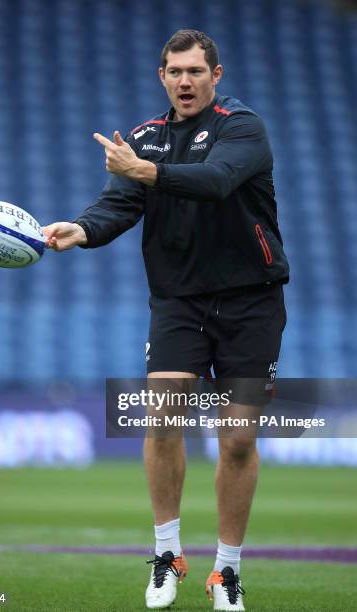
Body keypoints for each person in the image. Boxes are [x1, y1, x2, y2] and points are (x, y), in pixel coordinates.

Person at [42, 29, 289, 612]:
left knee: (237, 438)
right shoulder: (145, 139)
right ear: (162, 77)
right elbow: (118, 204)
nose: (185, 81)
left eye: (196, 71)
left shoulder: (242, 128)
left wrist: (143, 173)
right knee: (162, 421)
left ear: (216, 76)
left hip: (252, 301)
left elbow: (218, 179)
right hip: (179, 302)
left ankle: (225, 572)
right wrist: (82, 229)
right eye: (175, 71)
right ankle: (167, 555)